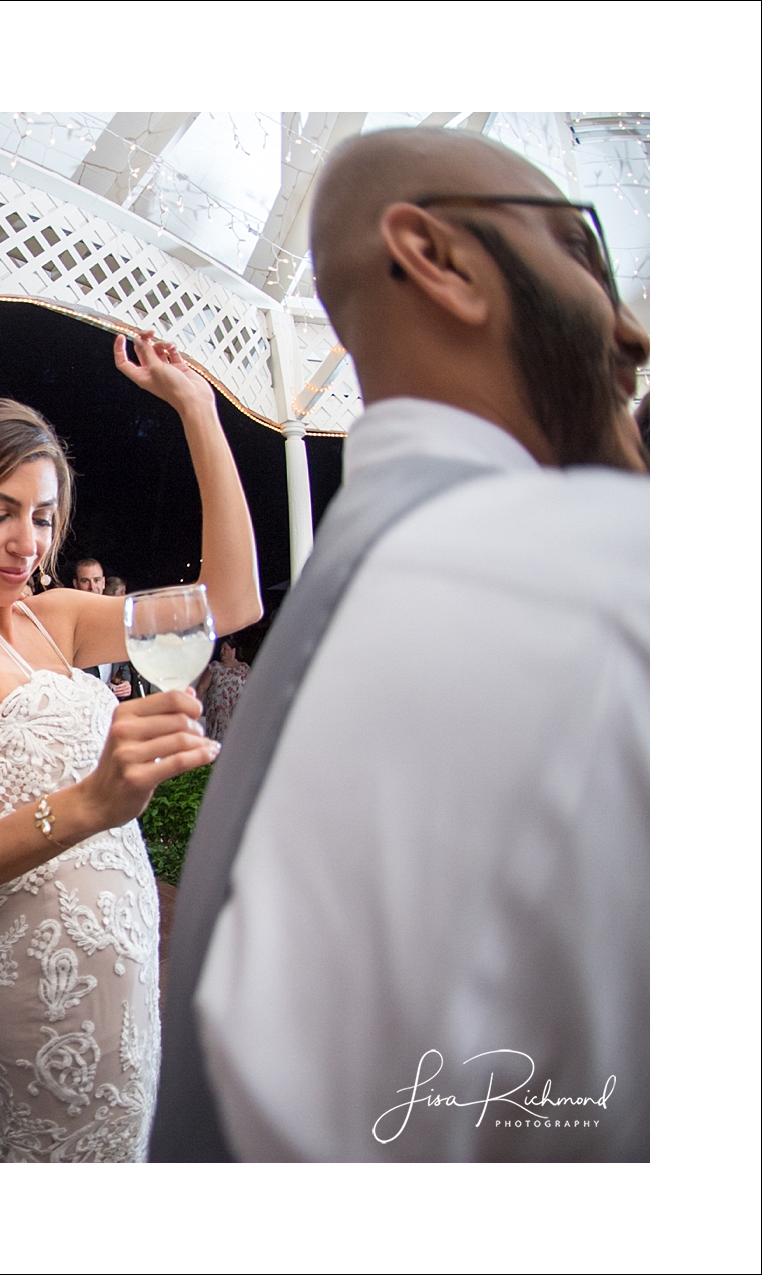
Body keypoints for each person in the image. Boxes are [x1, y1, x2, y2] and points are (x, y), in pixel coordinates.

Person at [153, 127, 651, 1162]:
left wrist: (199, 408)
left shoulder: (374, 570)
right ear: (441, 258)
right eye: (585, 251)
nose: (634, 329)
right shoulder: (593, 574)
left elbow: (224, 603)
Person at [0, 337, 263, 1162]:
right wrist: (87, 805)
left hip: (118, 974)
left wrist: (199, 412)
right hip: (52, 996)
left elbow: (230, 601)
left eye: (42, 517)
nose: (26, 543)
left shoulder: (51, 618)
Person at [72, 559, 133, 699]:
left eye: (97, 580)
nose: (92, 586)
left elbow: (121, 664)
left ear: (103, 582)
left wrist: (125, 683)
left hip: (110, 708)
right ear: (76, 584)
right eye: (85, 581)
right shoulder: (69, 619)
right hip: (82, 704)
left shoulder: (117, 618)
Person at [193, 637, 253, 742]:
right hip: (218, 704)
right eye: (221, 649)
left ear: (233, 650)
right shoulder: (215, 666)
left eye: (225, 648)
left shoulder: (244, 668)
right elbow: (202, 687)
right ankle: (220, 744)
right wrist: (194, 707)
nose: (222, 652)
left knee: (239, 709)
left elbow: (252, 688)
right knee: (221, 708)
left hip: (237, 704)